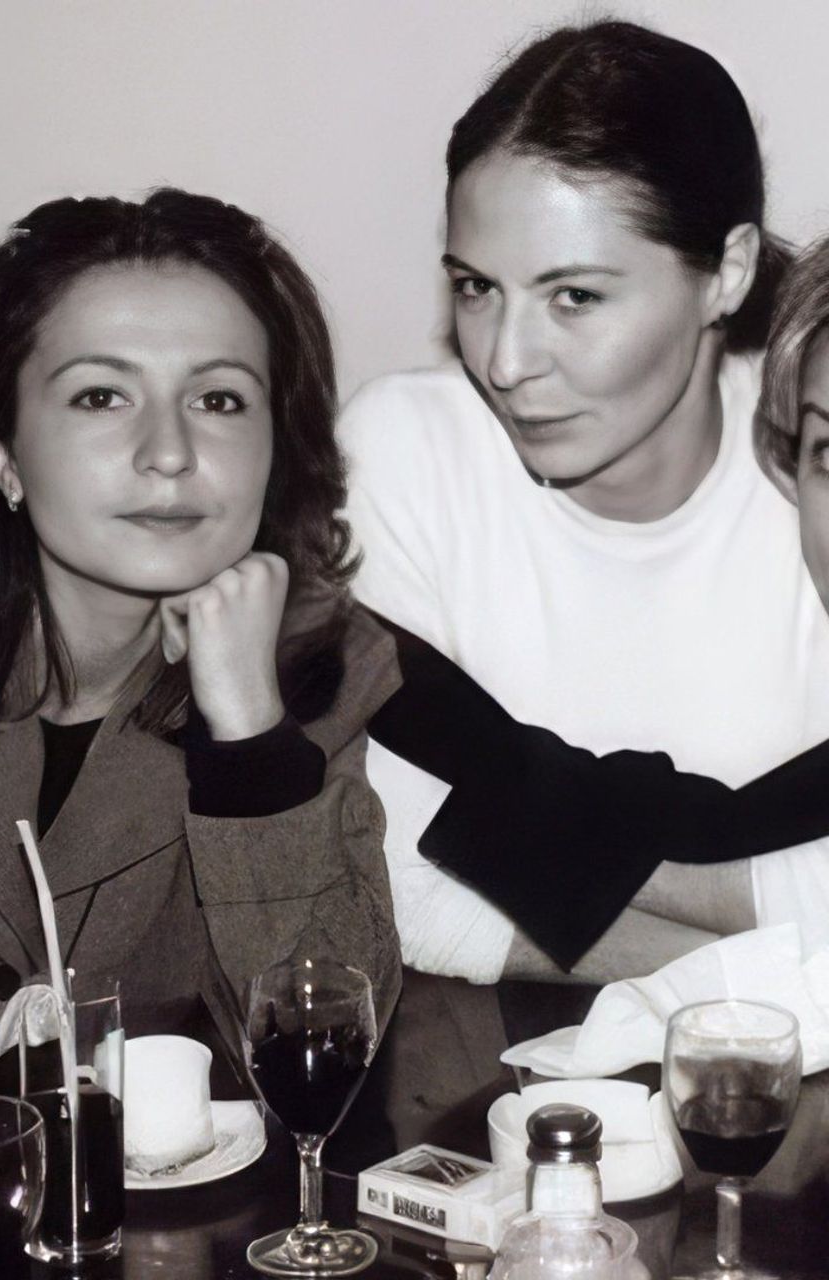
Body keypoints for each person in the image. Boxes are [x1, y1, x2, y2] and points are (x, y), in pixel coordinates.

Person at [339, 20, 829, 1138]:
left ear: (726, 272)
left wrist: (537, 851)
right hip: (485, 1116)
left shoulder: (814, 471)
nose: (506, 359)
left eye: (574, 297)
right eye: (477, 287)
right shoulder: (407, 455)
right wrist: (775, 968)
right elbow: (391, 894)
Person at [0, 190, 402, 1093]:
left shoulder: (324, 671)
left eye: (220, 399)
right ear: (3, 452)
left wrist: (249, 733)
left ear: (275, 449)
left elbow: (319, 1060)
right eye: (102, 395)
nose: (169, 452)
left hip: (143, 1178)